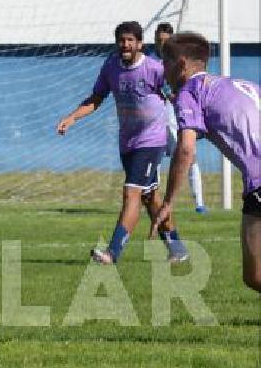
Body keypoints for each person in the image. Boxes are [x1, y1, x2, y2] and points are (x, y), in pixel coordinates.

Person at [56, 21, 189, 264]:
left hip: (151, 141)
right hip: (128, 142)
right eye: (121, 40)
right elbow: (97, 97)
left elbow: (178, 90)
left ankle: (112, 252)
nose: (125, 45)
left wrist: (184, 109)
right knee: (149, 197)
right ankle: (177, 247)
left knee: (131, 194)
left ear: (140, 44)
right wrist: (71, 117)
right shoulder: (111, 66)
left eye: (130, 40)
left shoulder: (154, 68)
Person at [152, 32, 261, 293]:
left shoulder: (190, 92)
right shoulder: (239, 84)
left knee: (255, 276)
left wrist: (168, 203)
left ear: (181, 65)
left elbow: (186, 148)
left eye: (165, 63)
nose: (162, 70)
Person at [155, 23, 207, 214]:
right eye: (159, 41)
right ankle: (155, 201)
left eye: (166, 41)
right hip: (159, 121)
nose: (162, 45)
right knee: (156, 160)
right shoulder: (153, 65)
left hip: (179, 119)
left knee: (190, 158)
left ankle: (199, 204)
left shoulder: (180, 65)